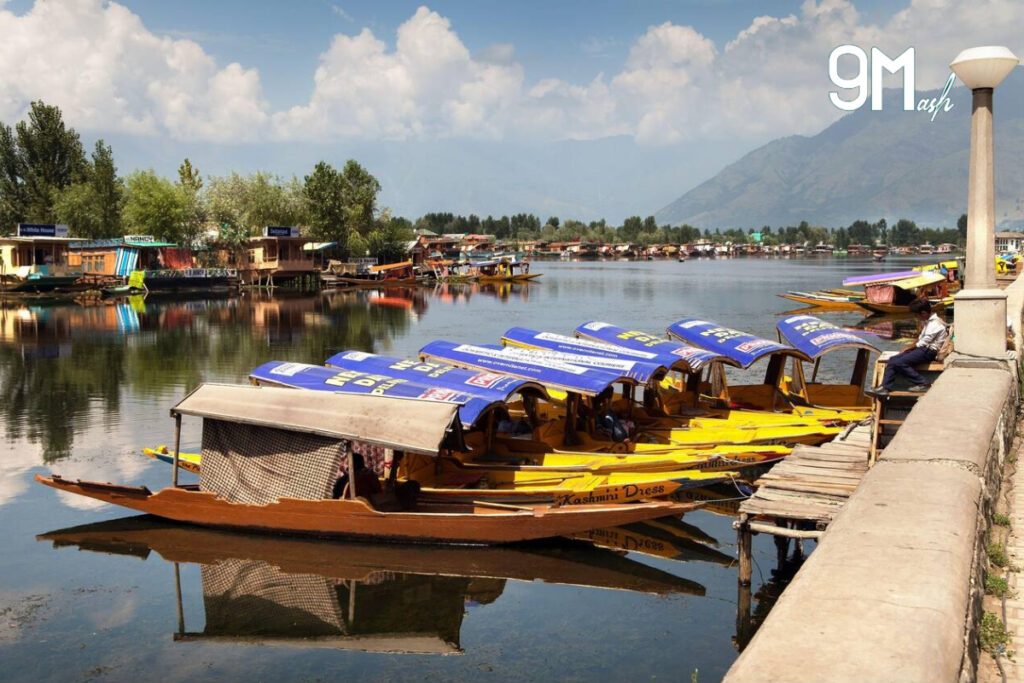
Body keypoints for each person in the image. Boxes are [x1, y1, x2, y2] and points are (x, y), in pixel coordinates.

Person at [865, 299, 948, 397]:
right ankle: (885, 387)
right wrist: (909, 348)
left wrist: (907, 349)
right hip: (923, 349)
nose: (916, 317)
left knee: (899, 362)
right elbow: (920, 339)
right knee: (892, 360)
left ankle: (923, 383)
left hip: (929, 351)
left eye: (916, 315)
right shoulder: (928, 322)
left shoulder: (935, 324)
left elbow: (923, 342)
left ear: (924, 313)